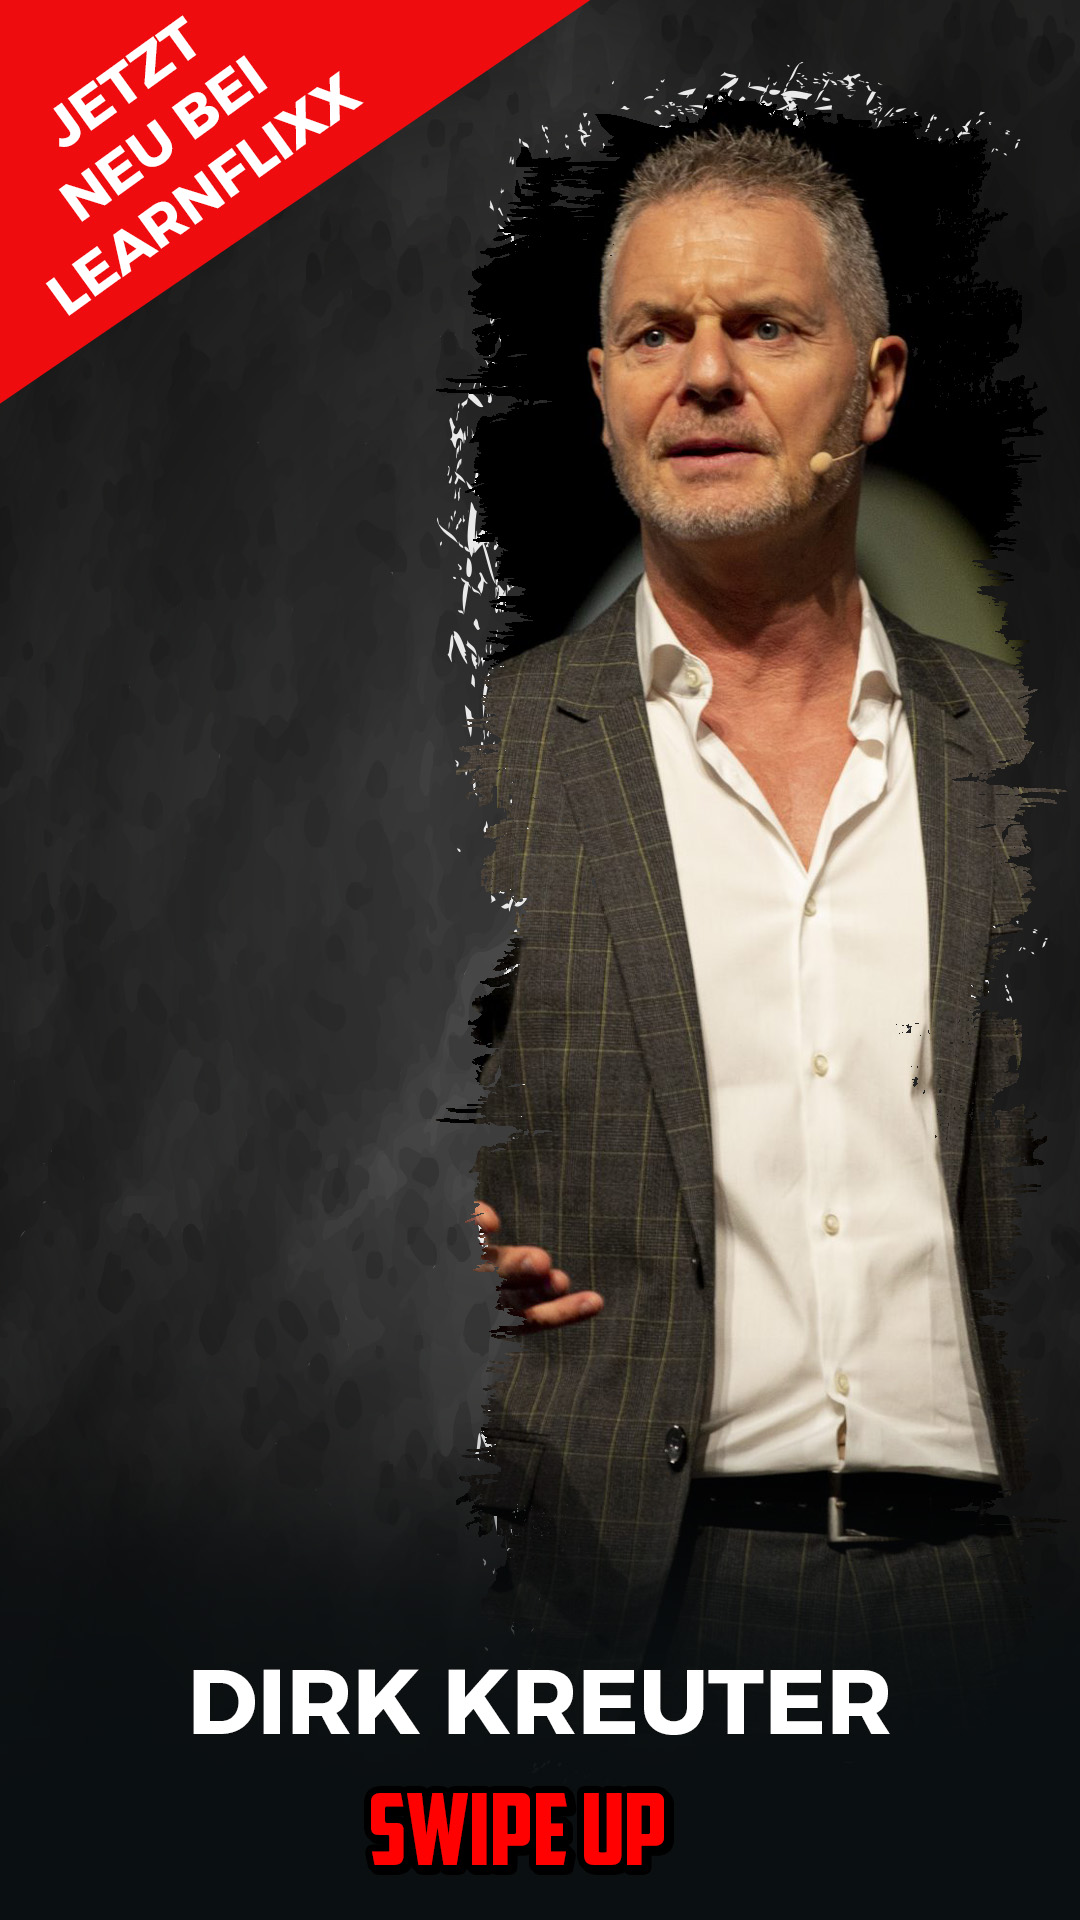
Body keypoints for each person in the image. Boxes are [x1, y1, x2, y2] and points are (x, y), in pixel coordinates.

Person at [470, 127, 1030, 1706]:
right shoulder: (475, 767)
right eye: (657, 335)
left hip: (1002, 1589)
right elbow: (306, 1156)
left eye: (766, 328)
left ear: (878, 382)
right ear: (605, 393)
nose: (704, 376)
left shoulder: (1028, 753)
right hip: (636, 1598)